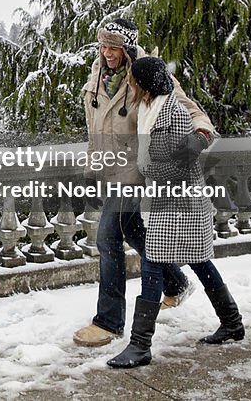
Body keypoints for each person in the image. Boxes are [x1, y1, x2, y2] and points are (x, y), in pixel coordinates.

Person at [73, 19, 216, 347]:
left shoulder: (147, 72)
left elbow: (185, 105)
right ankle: (176, 282)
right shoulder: (97, 74)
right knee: (133, 230)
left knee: (107, 237)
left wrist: (201, 134)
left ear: (129, 47)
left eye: (115, 46)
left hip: (137, 171)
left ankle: (109, 321)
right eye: (104, 45)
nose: (108, 53)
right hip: (111, 169)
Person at [107, 56, 245, 368]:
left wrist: (146, 167)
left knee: (153, 265)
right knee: (200, 261)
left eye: (133, 78)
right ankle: (233, 323)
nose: (129, 82)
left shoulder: (172, 113)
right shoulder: (150, 108)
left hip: (178, 205)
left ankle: (140, 345)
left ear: (144, 84)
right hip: (171, 203)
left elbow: (180, 165)